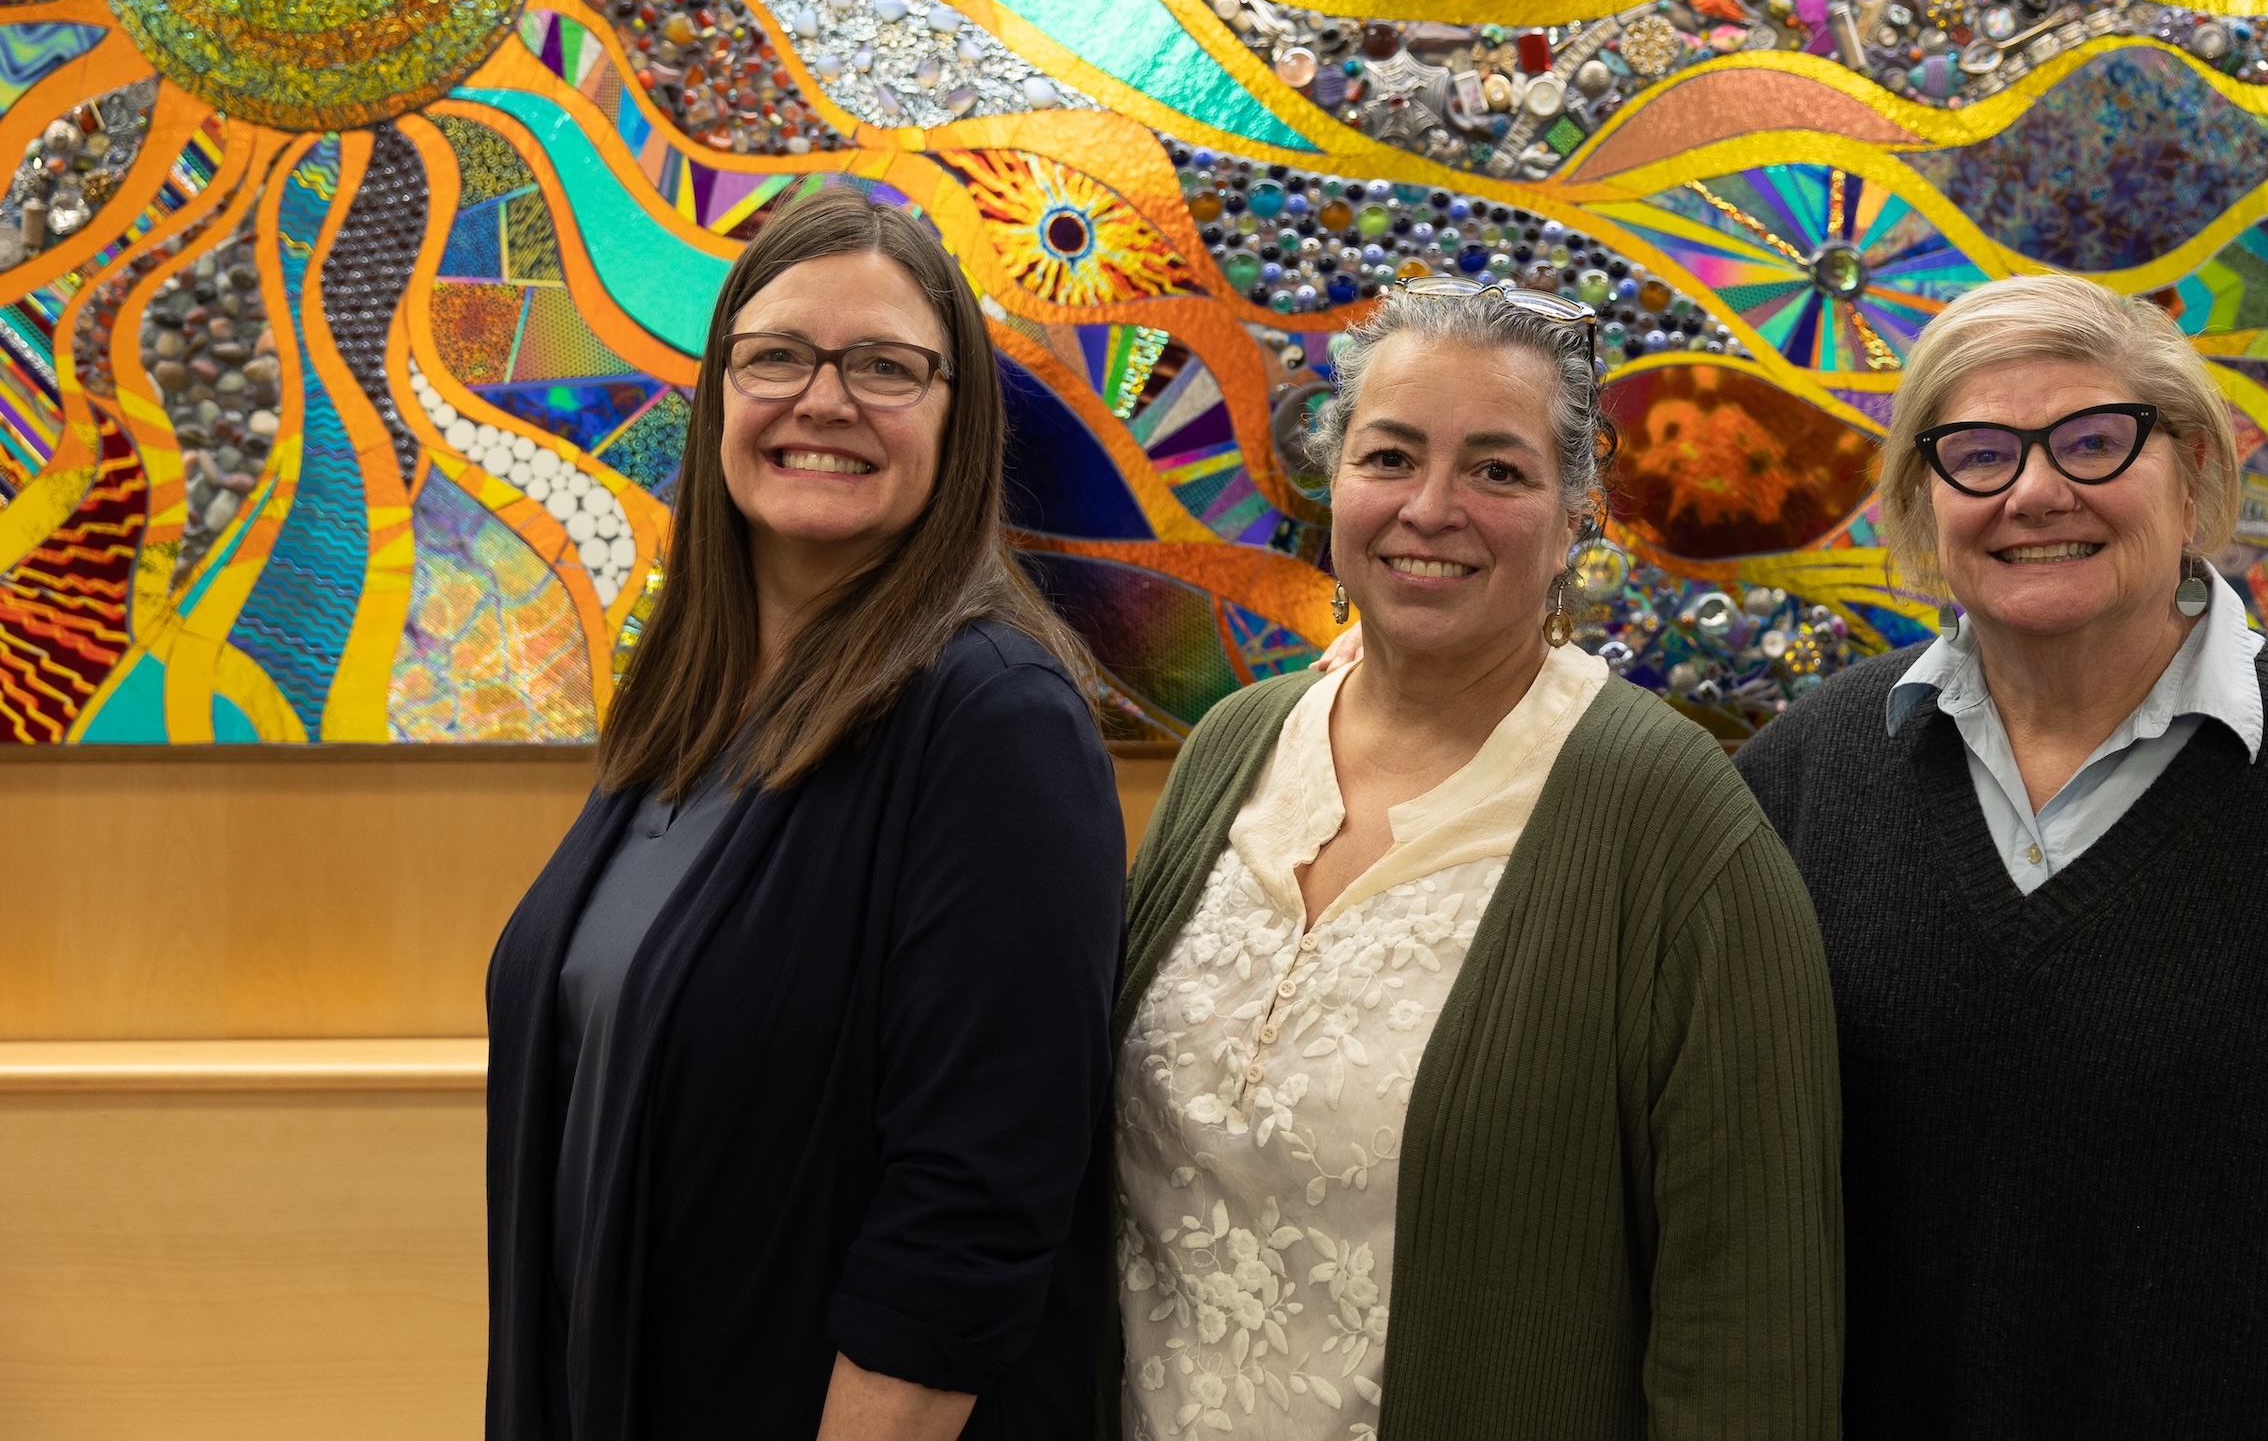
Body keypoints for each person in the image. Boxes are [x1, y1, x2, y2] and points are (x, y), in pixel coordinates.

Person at [1736, 273, 2268, 1439]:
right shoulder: (1807, 775)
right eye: (1977, 453)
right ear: (1921, 501)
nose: (2035, 491)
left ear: (2190, 472)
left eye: (2094, 442)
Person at [1107, 279, 1845, 1440]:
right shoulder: (1231, 753)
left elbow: (1746, 1332)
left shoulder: (1672, 827)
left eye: (1497, 471)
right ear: (1334, 483)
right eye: (1390, 456)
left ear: (1574, 518)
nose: (1429, 508)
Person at [485, 186, 1124, 1441]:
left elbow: (971, 1209)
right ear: (720, 391)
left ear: (959, 417)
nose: (821, 401)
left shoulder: (993, 720)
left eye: (884, 366)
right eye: (775, 356)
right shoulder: (689, 702)